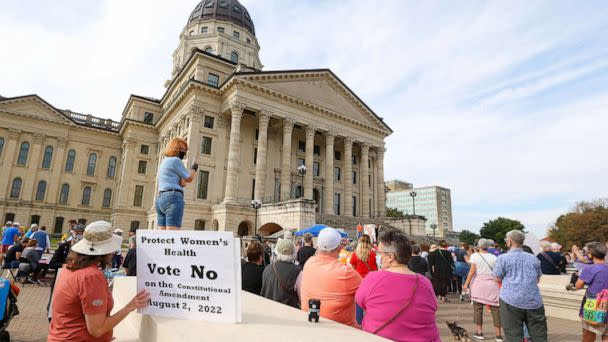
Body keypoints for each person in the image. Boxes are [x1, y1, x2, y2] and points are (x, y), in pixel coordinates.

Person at [48, 221, 150, 341]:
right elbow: (97, 330)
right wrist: (130, 306)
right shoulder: (91, 276)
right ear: (103, 251)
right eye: (111, 249)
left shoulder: (70, 268)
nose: (113, 253)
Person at [355, 229, 440, 342]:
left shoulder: (373, 279)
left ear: (390, 257)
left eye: (379, 253)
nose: (378, 257)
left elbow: (360, 302)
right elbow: (433, 308)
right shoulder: (425, 282)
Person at [300, 227, 362, 327]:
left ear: (317, 246)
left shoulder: (309, 263)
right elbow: (368, 294)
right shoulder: (345, 272)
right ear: (339, 248)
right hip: (342, 330)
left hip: (312, 324)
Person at [493, 230, 547, 342]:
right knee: (539, 335)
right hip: (533, 301)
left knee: (514, 336)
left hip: (510, 300)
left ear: (509, 242)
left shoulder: (503, 258)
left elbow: (497, 278)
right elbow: (537, 279)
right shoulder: (533, 258)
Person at [463, 238, 503, 341]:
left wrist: (466, 284)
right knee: (496, 310)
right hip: (492, 284)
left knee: (478, 308)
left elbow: (472, 272)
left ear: (479, 246)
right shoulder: (494, 257)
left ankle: (479, 332)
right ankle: (498, 334)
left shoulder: (475, 256)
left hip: (479, 284)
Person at [156, 138, 197, 230]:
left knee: (161, 237)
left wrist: (183, 181)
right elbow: (189, 178)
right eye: (181, 149)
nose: (183, 152)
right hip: (173, 198)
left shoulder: (164, 161)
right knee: (172, 236)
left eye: (185, 150)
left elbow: (181, 182)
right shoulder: (176, 160)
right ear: (174, 149)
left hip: (161, 199)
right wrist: (194, 168)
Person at [573, 242, 608, 341]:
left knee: (589, 334)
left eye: (586, 252)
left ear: (590, 254)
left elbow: (578, 286)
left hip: (593, 305)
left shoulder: (589, 269)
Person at [261, 239, 301, 308]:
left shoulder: (268, 268)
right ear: (293, 253)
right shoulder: (298, 271)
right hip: (288, 311)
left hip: (268, 309)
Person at [350, 234, 378, 325]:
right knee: (370, 304)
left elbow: (353, 268)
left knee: (358, 304)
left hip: (358, 281)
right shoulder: (373, 254)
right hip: (370, 281)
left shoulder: (354, 254)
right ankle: (369, 323)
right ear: (369, 242)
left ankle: (359, 323)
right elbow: (375, 270)